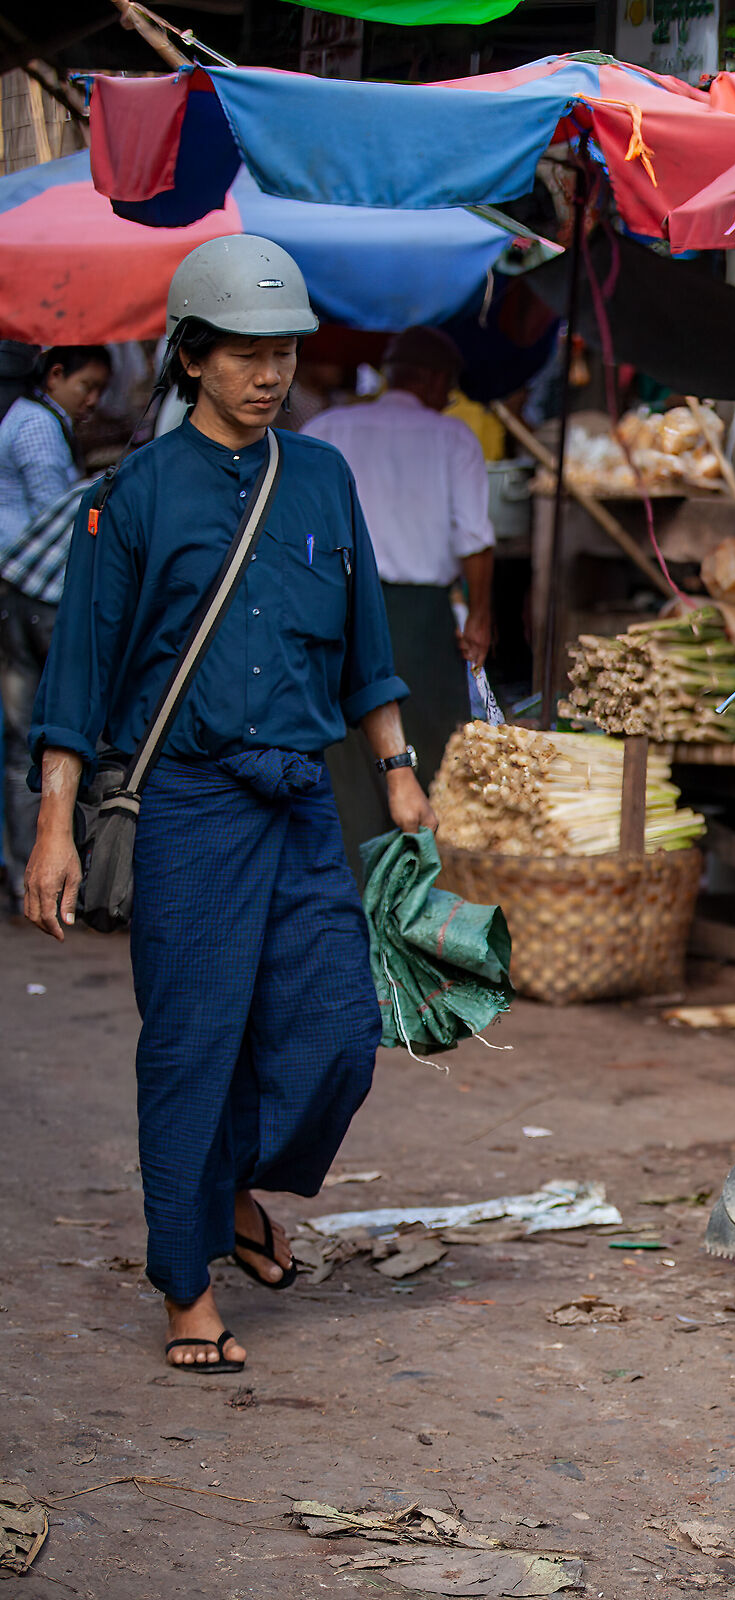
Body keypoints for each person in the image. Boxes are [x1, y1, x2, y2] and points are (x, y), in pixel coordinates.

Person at [20, 236, 435, 1374]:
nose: (270, 373)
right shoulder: (134, 494)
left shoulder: (324, 477)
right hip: (189, 806)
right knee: (193, 1045)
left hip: (299, 798)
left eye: (284, 352)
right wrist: (55, 826)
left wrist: (397, 768)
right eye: (246, 353)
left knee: (338, 1031)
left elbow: (366, 646)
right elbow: (77, 677)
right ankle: (186, 1281)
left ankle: (233, 1186)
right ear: (192, 358)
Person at [302, 325, 494, 872]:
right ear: (433, 380)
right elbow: (475, 541)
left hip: (335, 612)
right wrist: (480, 617)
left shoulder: (327, 427)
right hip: (419, 621)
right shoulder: (453, 437)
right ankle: (419, 885)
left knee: (345, 754)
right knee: (427, 752)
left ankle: (353, 882)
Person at [0, 345, 113, 895]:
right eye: (86, 386)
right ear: (55, 374)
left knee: (24, 736)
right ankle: (53, 871)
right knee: (56, 733)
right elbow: (63, 522)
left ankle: (26, 871)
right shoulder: (39, 429)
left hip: (16, 591)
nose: (92, 400)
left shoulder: (30, 418)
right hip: (39, 596)